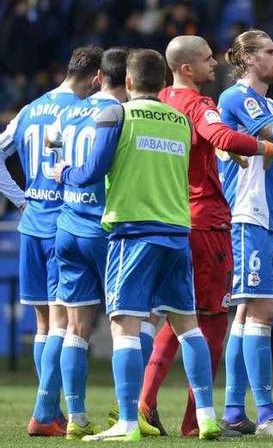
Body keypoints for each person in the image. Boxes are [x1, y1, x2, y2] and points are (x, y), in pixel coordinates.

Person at [53, 49, 222, 441]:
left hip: (133, 233)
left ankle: (128, 421)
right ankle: (208, 416)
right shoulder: (180, 119)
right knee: (188, 326)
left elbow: (92, 170)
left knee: (125, 325)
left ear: (128, 83)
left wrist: (65, 171)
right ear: (164, 83)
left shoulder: (117, 113)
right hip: (177, 232)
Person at [137, 35, 273, 438]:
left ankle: (147, 405)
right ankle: (193, 421)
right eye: (206, 59)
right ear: (186, 69)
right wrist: (266, 148)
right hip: (209, 222)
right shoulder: (199, 104)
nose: (214, 64)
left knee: (179, 317)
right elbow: (224, 138)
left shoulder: (163, 99)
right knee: (214, 320)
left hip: (173, 215)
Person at [0, 46, 103, 437]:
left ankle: (51, 410)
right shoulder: (78, 113)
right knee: (64, 321)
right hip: (64, 223)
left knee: (45, 323)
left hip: (31, 227)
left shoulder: (30, 110)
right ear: (96, 77)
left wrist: (22, 199)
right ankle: (45, 410)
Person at [50, 48, 129, 439]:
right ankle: (127, 412)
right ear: (126, 80)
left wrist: (64, 173)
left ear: (98, 77)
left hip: (66, 225)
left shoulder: (67, 111)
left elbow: (51, 156)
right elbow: (102, 166)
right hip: (102, 228)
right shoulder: (119, 115)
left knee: (75, 327)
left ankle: (76, 417)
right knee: (129, 321)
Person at [217, 29, 273, 436]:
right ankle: (268, 414)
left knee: (245, 313)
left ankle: (232, 412)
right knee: (261, 310)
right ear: (247, 59)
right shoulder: (238, 97)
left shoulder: (269, 102)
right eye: (270, 52)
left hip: (264, 212)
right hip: (246, 212)